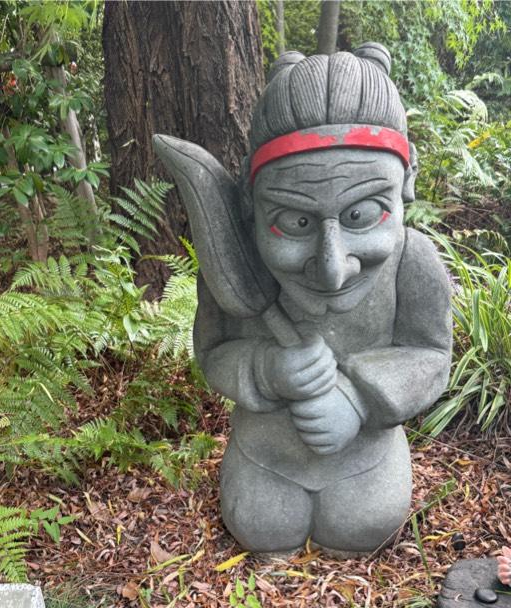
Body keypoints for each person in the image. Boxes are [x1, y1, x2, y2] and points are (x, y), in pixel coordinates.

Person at [158, 44, 452, 554]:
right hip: (266, 457)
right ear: (251, 200)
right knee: (263, 524)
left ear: (406, 184)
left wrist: (359, 398)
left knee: (361, 524)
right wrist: (265, 369)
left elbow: (431, 356)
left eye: (363, 215)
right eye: (294, 222)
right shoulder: (234, 268)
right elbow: (212, 353)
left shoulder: (414, 262)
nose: (333, 266)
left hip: (366, 460)